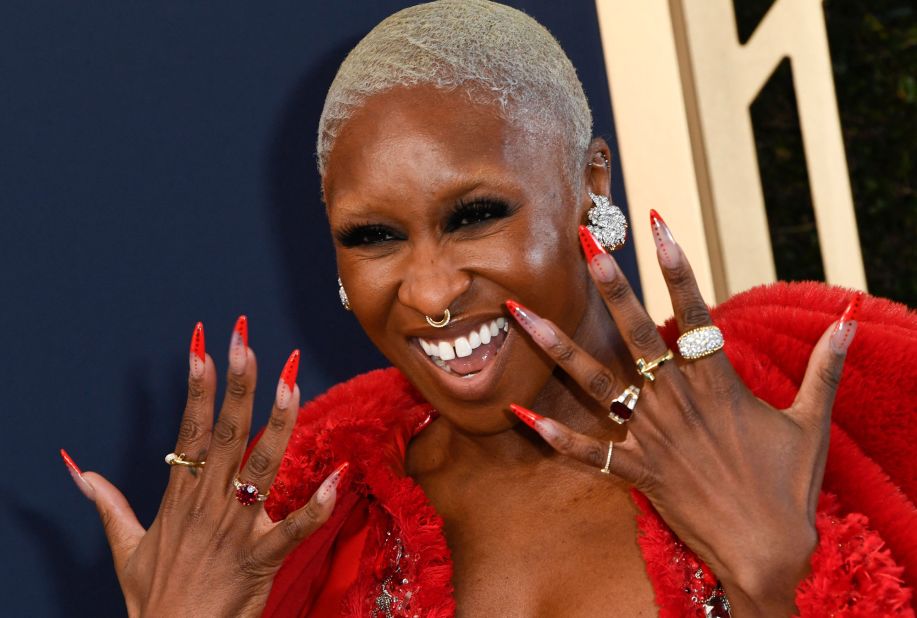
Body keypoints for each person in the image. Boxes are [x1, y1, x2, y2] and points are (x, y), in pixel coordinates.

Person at [60, 1, 916, 615]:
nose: (430, 292)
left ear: (590, 185)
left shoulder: (813, 406)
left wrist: (778, 583)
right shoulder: (303, 529)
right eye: (373, 236)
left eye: (475, 216)